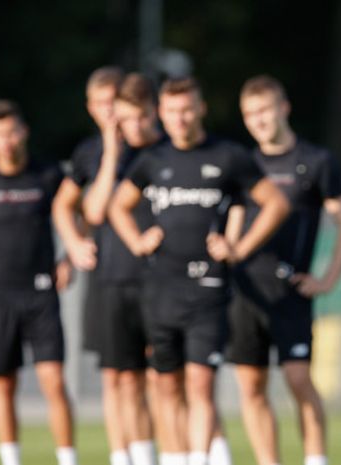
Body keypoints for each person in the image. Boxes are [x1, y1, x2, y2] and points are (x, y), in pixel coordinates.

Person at [108, 76, 289, 465]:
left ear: (200, 108)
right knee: (166, 386)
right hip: (160, 291)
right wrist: (139, 241)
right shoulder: (153, 160)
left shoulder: (228, 156)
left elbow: (274, 203)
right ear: (162, 113)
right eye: (172, 111)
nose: (180, 118)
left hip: (207, 291)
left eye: (187, 109)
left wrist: (238, 248)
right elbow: (116, 206)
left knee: (201, 386)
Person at [226, 75, 341, 465]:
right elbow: (234, 219)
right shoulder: (242, 164)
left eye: (264, 110)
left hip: (291, 292)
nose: (259, 121)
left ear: (283, 108)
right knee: (251, 386)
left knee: (299, 380)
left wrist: (328, 280)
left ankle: (316, 459)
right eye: (250, 114)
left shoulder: (315, 162)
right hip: (245, 293)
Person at [52, 71, 159, 465]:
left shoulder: (154, 146)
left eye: (113, 101)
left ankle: (157, 454)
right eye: (99, 104)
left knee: (156, 377)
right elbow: (82, 208)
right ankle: (123, 456)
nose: (109, 112)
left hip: (155, 276)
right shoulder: (90, 153)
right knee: (116, 376)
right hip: (110, 276)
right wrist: (74, 245)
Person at [0, 99, 78, 465]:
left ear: (24, 132)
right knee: (3, 384)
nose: (7, 141)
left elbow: (82, 211)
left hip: (41, 294)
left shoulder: (48, 173)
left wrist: (70, 257)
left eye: (12, 132)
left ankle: (67, 459)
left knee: (53, 380)